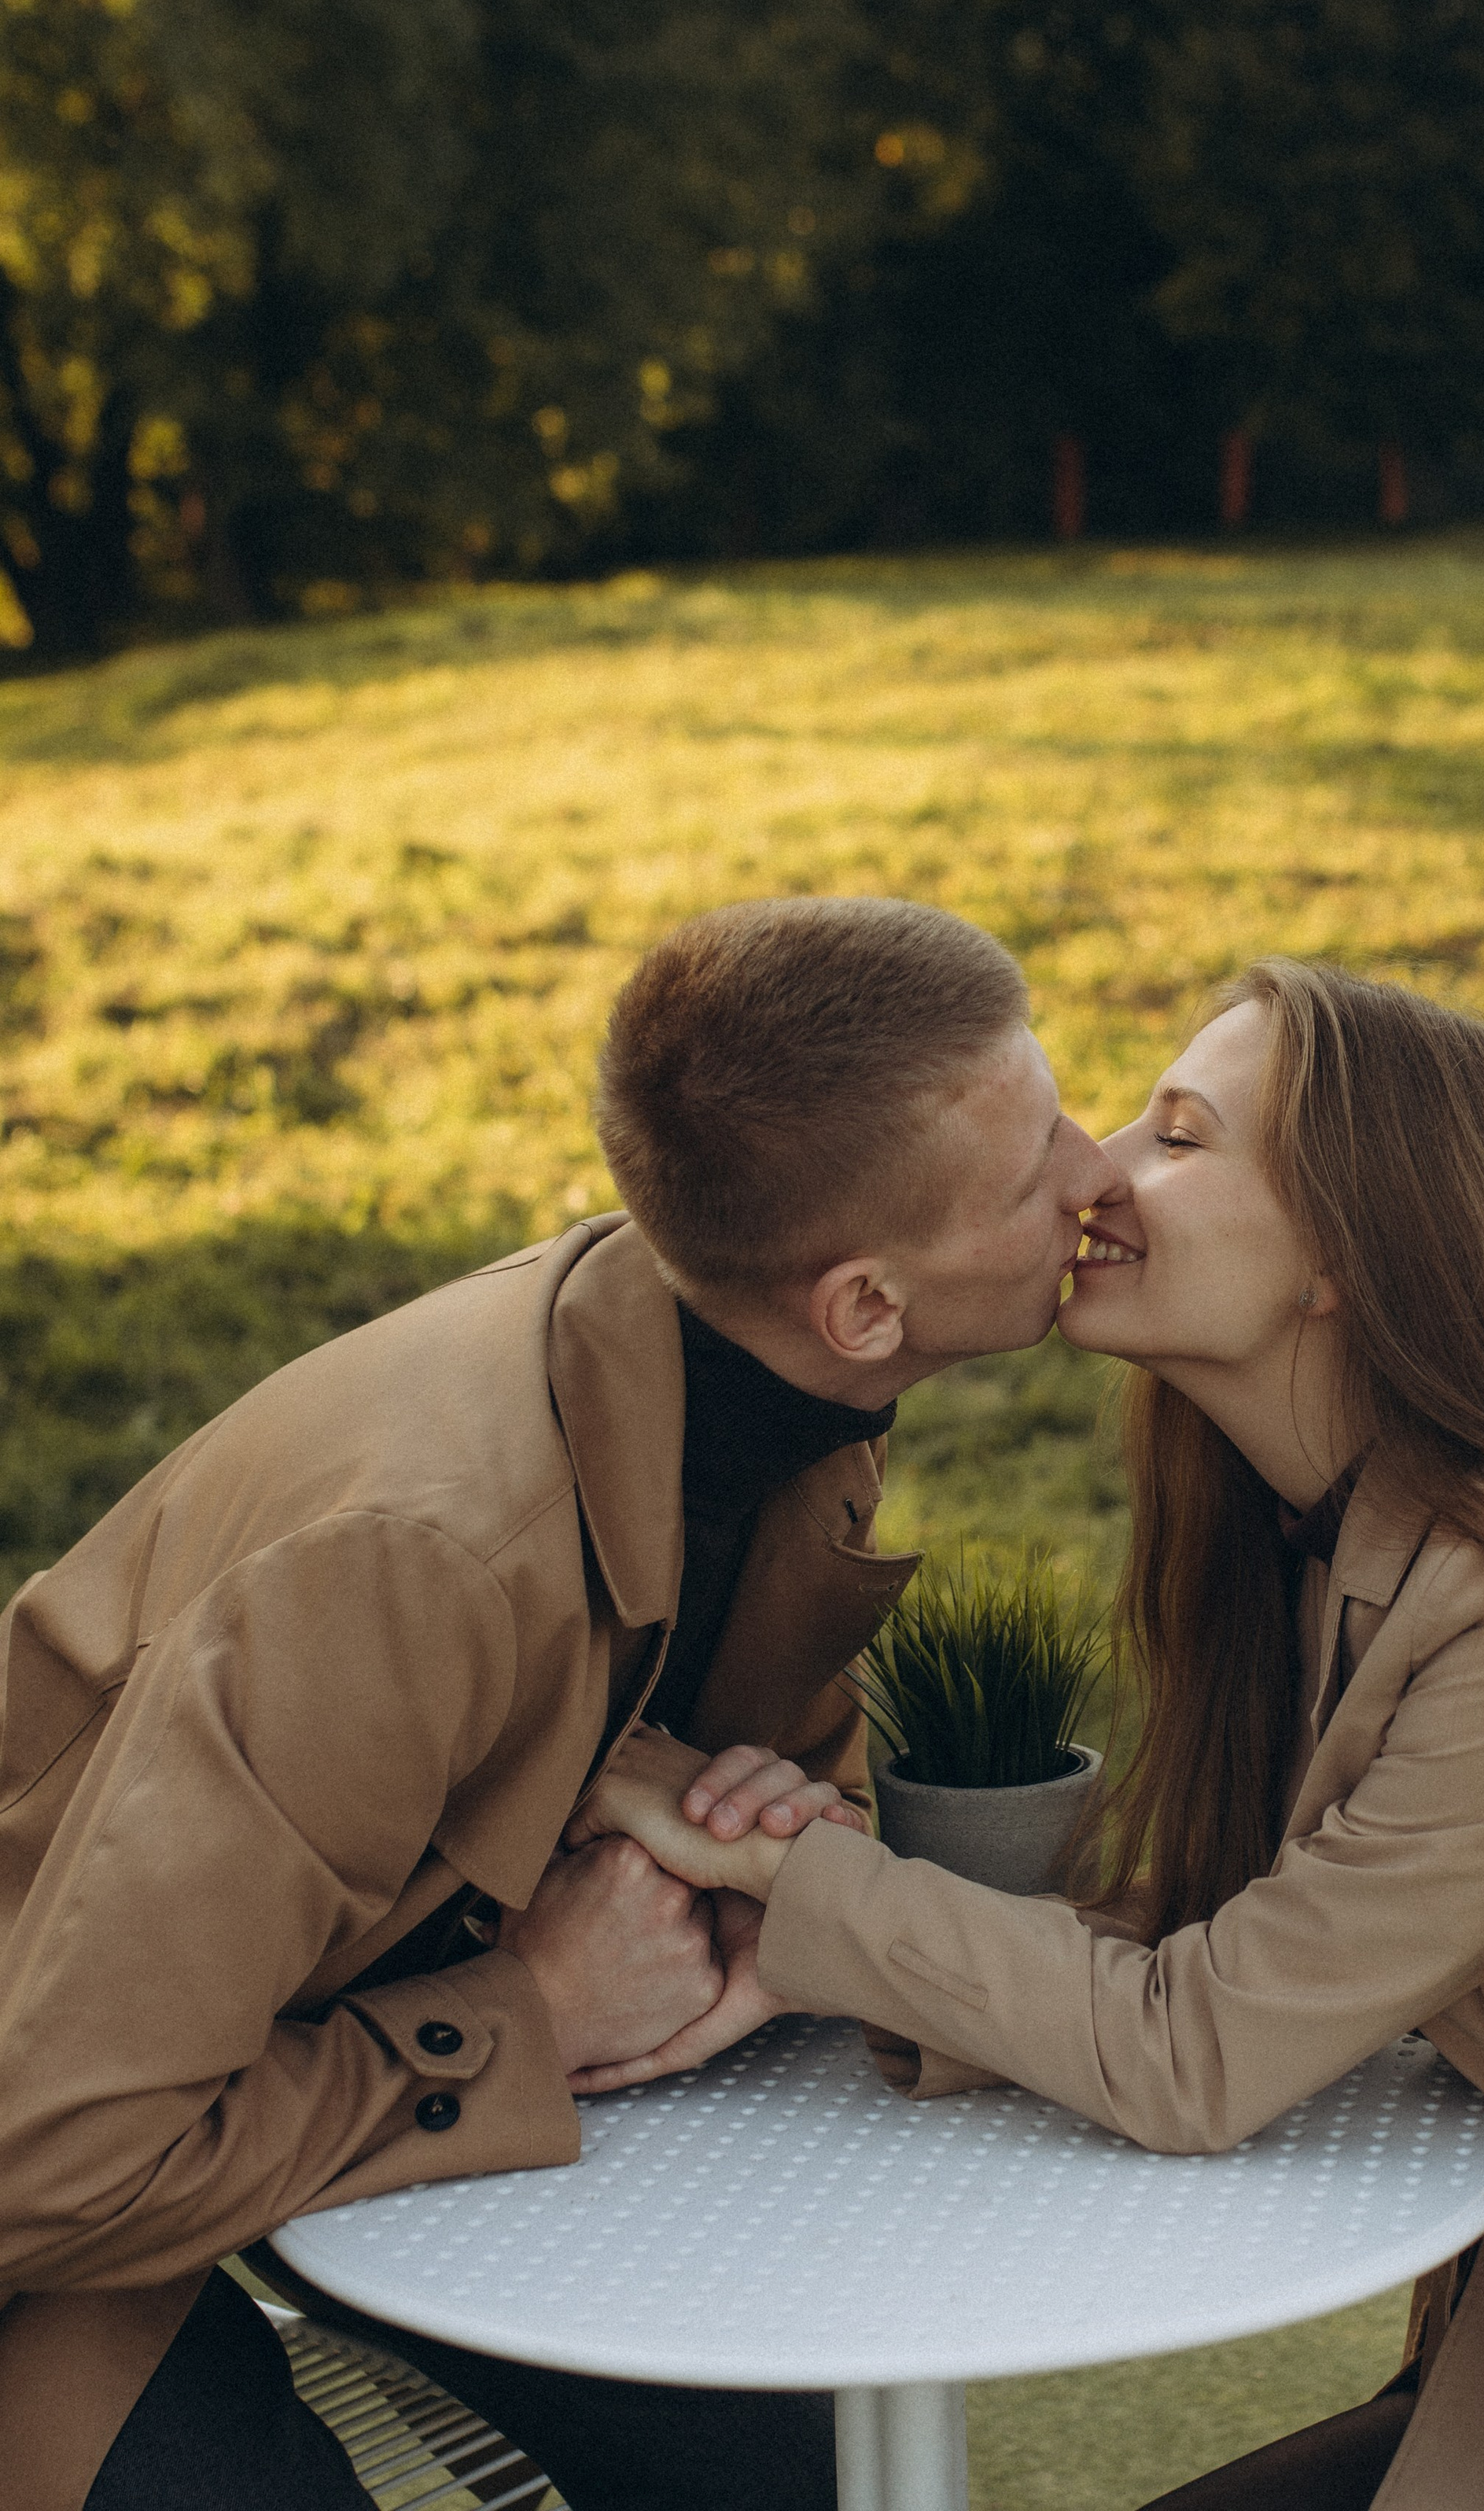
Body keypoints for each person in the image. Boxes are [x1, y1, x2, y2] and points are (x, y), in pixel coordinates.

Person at [585, 959, 1484, 2511]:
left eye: (1178, 1136)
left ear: (1349, 1249)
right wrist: (822, 1917)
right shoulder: (1306, 1539)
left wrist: (788, 1877)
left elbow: (1193, 2053)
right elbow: (1241, 1944)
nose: (1092, 1171)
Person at [0, 894, 1108, 2511]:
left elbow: (731, 1770)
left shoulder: (772, 1377)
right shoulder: (416, 1565)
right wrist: (530, 2010)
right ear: (866, 1304)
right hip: (65, 2179)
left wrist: (747, 1854)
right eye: (1034, 1170)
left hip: (306, 2042)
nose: (1097, 1170)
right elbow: (59, 2158)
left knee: (774, 2464)